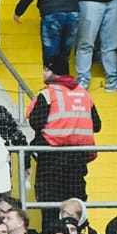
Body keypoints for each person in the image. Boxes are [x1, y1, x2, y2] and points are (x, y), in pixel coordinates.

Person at [28, 69, 100, 213]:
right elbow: (97, 125)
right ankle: (76, 233)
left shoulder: (48, 93)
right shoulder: (84, 94)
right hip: (77, 161)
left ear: (55, 70)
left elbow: (35, 121)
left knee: (50, 207)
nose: (43, 73)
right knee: (76, 207)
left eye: (47, 69)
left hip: (51, 160)